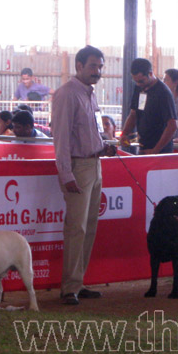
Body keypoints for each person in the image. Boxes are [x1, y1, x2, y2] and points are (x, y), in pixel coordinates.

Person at [51, 45, 117, 306]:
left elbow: (90, 133)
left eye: (100, 67)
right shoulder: (67, 94)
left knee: (89, 226)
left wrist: (104, 146)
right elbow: (61, 138)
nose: (97, 71)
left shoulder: (90, 95)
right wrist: (66, 173)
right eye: (93, 66)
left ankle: (78, 282)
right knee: (76, 228)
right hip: (78, 167)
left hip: (95, 163)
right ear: (78, 66)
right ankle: (69, 288)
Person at [120, 58, 177, 154]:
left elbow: (172, 125)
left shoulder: (163, 92)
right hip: (144, 147)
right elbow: (134, 114)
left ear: (150, 74)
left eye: (141, 81)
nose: (138, 84)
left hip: (160, 151)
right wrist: (124, 133)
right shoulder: (140, 89)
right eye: (136, 81)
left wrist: (156, 150)